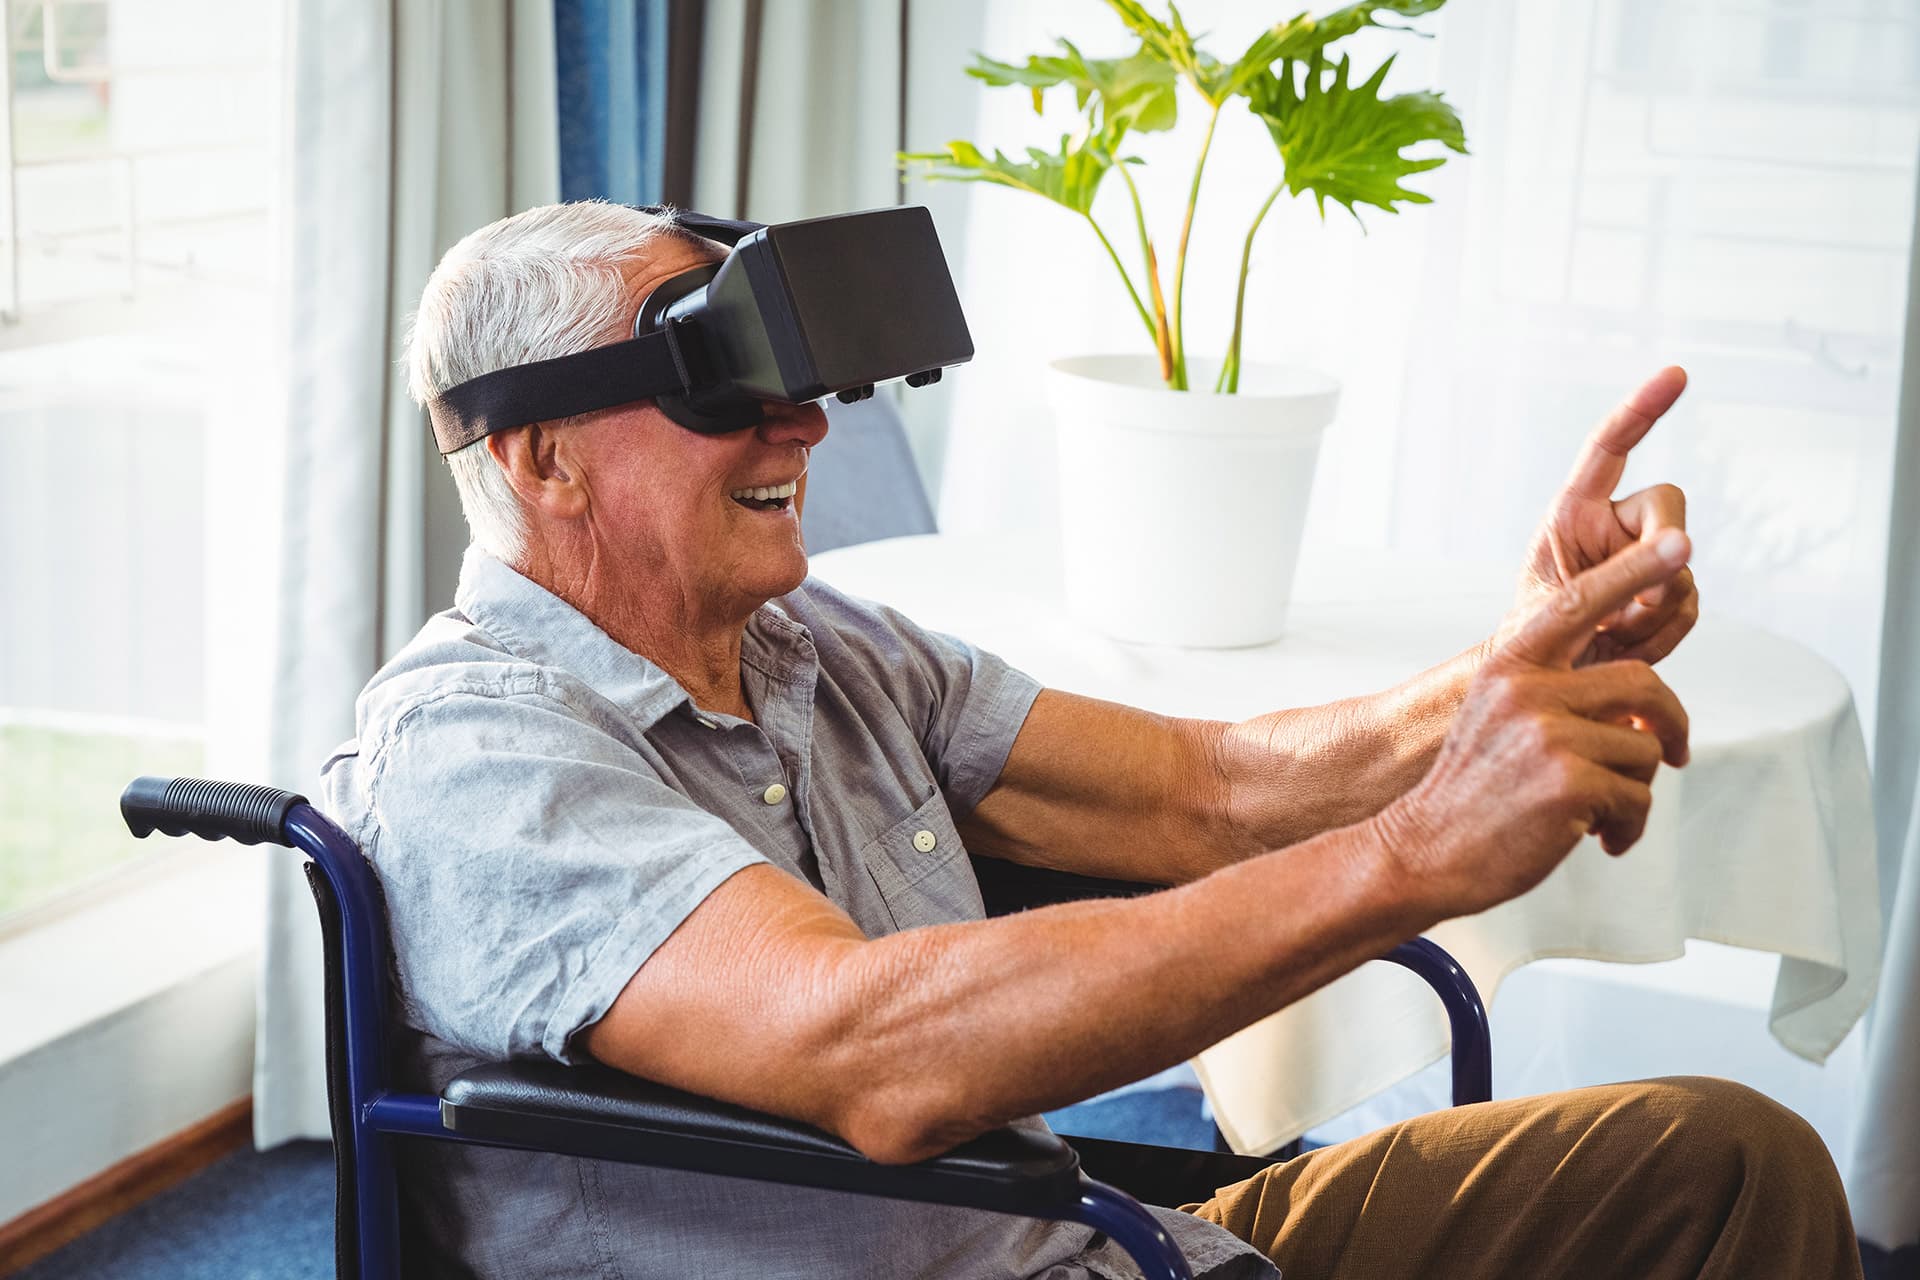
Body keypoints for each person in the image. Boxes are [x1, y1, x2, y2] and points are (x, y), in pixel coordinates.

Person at [319, 201, 1861, 1279]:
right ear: (543, 460)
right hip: (1027, 1246)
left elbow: (1214, 791)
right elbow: (875, 1047)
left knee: (1723, 1161)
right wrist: (1412, 858)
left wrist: (1513, 664)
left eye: (793, 384)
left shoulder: (825, 648)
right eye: (726, 386)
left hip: (1086, 1242)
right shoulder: (482, 754)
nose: (802, 430)